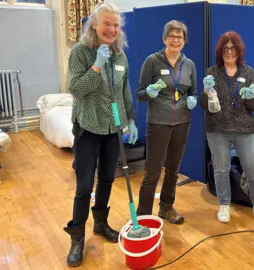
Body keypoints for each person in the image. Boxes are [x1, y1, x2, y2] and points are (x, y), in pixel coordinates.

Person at [63, 2, 138, 267]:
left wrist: (131, 118)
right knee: (84, 186)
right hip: (87, 125)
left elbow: (125, 89)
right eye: (107, 23)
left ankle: (101, 224)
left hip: (112, 127)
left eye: (116, 25)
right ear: (94, 23)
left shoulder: (120, 55)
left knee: (107, 179)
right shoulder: (81, 52)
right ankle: (77, 239)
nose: (111, 29)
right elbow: (76, 89)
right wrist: (96, 66)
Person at [200, 32, 254, 224]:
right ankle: (224, 203)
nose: (229, 52)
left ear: (239, 50)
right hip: (217, 129)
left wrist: (251, 97)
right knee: (221, 170)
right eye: (225, 48)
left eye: (233, 48)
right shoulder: (212, 72)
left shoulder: (248, 72)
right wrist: (206, 92)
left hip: (244, 129)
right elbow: (204, 105)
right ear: (220, 51)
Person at [136, 20, 197, 224]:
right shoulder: (152, 61)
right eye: (172, 36)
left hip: (182, 123)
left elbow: (193, 91)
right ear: (164, 39)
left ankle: (166, 208)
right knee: (153, 171)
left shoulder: (189, 65)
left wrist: (193, 99)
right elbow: (140, 94)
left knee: (173, 169)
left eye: (180, 37)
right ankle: (143, 215)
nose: (176, 40)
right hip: (158, 123)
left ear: (184, 41)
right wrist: (150, 92)